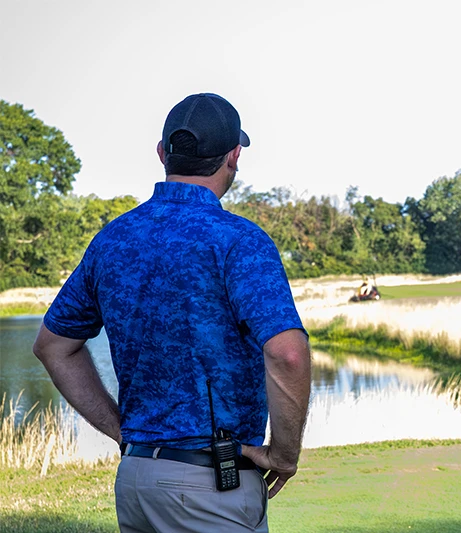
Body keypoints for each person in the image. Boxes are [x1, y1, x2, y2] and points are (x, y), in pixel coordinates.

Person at [32, 93, 312, 532]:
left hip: (137, 480)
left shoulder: (113, 240)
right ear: (233, 157)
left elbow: (53, 347)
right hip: (210, 488)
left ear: (163, 153)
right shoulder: (238, 241)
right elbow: (288, 354)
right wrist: (284, 455)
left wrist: (125, 432)